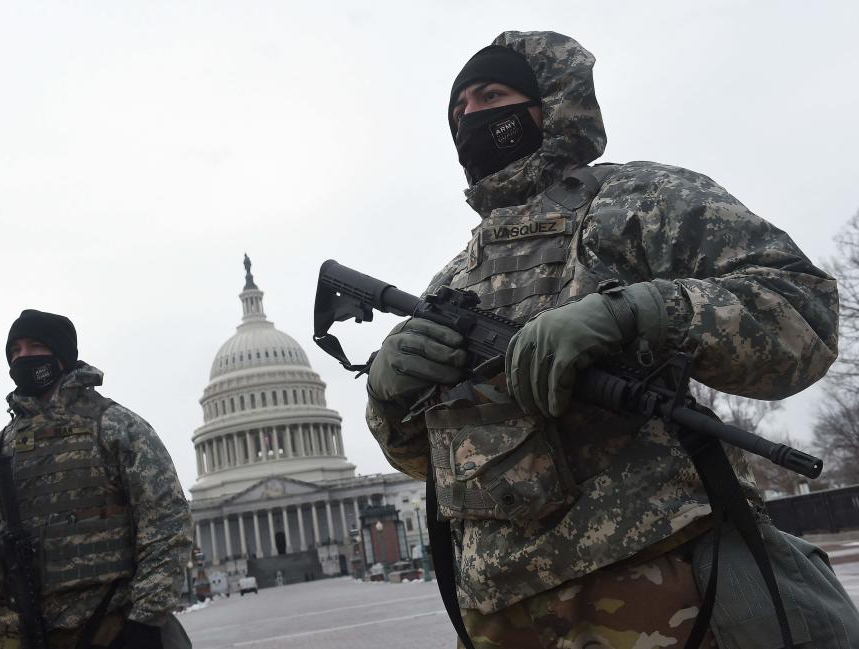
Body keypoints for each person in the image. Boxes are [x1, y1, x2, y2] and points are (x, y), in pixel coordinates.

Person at [364, 31, 859, 648]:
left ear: (550, 102)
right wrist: (388, 398)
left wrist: (645, 309)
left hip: (666, 589)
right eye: (457, 109)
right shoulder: (454, 280)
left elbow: (801, 312)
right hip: (505, 615)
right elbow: (427, 460)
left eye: (490, 94)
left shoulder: (640, 201)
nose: (469, 116)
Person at [0, 309, 193, 649]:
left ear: (62, 356)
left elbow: (166, 528)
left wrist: (143, 622)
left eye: (35, 346)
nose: (23, 357)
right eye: (15, 351)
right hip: (18, 636)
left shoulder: (116, 429)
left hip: (112, 630)